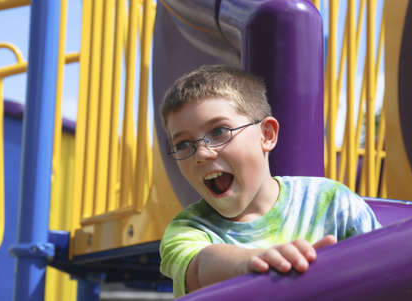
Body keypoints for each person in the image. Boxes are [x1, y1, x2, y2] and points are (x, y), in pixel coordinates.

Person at [159, 65, 381, 297]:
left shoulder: (331, 202)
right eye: (183, 145)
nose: (201, 154)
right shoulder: (187, 230)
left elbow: (387, 266)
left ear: (266, 135)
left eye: (219, 131)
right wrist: (253, 263)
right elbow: (199, 269)